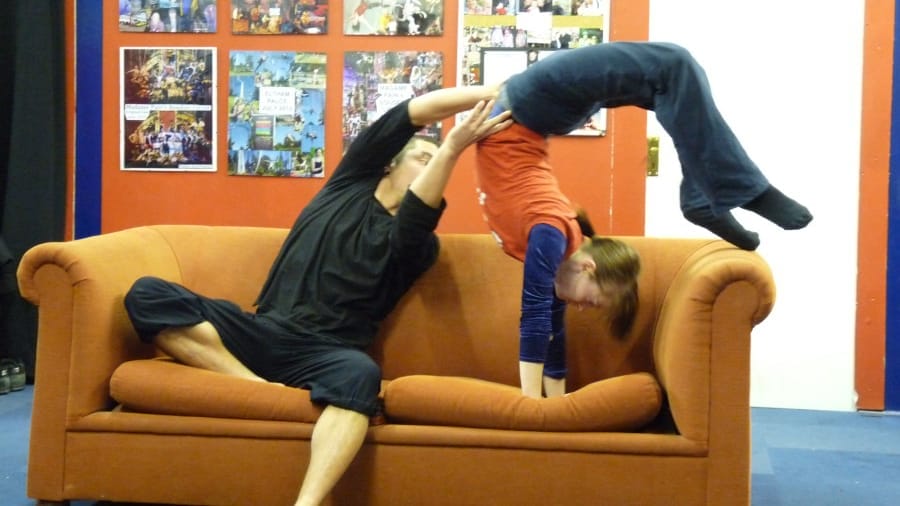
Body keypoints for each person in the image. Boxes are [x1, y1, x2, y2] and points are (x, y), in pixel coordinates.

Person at [123, 87, 512, 506]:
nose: (433, 163)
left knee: (361, 376)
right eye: (423, 156)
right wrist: (499, 91)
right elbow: (412, 111)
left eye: (437, 162)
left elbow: (417, 213)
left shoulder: (416, 246)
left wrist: (451, 148)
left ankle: (306, 503)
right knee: (148, 294)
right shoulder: (347, 185)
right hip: (261, 332)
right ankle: (261, 391)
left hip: (327, 353)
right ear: (387, 166)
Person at [476, 41, 812, 398]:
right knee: (671, 75)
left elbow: (542, 323)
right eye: (591, 302)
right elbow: (545, 324)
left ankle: (716, 191)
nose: (580, 307)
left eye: (589, 302)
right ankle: (713, 192)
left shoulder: (550, 237)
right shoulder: (555, 240)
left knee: (672, 75)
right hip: (535, 106)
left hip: (529, 104)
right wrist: (544, 406)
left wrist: (540, 406)